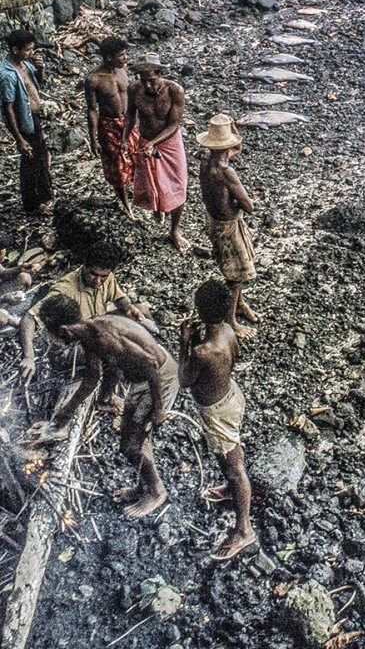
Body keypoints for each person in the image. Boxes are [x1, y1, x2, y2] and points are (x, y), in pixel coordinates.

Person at [31, 294, 178, 518]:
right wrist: (62, 417)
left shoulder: (104, 337)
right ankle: (143, 487)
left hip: (159, 379)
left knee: (131, 446)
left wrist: (158, 409)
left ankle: (157, 492)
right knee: (132, 438)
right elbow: (92, 378)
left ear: (64, 330)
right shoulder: (89, 332)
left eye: (56, 336)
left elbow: (151, 365)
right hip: (143, 380)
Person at [178, 279, 256, 561]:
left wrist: (185, 342)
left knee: (234, 467)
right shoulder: (227, 331)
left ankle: (244, 529)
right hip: (232, 397)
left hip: (218, 413)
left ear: (198, 310)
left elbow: (184, 379)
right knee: (232, 453)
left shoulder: (202, 351)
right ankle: (232, 489)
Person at [18, 238, 145, 385]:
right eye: (93, 274)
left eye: (103, 276)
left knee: (142, 310)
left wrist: (129, 308)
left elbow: (119, 297)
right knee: (118, 348)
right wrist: (28, 356)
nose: (98, 281)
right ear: (84, 265)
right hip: (69, 347)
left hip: (94, 328)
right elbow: (29, 317)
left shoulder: (107, 277)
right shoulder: (65, 289)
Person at [197, 114, 258, 339]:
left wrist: (233, 130)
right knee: (236, 276)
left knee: (235, 270)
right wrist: (243, 201)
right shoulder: (226, 172)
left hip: (213, 220)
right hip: (228, 226)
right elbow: (248, 206)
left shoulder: (205, 158)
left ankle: (239, 305)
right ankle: (231, 320)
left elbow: (235, 149)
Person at [121, 54, 188, 252]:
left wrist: (154, 143)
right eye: (144, 80)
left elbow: (174, 124)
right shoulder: (135, 90)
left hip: (169, 143)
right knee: (153, 182)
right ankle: (159, 208)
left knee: (177, 185)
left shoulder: (174, 91)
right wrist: (125, 139)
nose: (148, 85)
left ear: (161, 74)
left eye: (152, 80)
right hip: (146, 140)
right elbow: (130, 116)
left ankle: (174, 230)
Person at [85, 37, 139, 218]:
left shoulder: (122, 70)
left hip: (128, 122)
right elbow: (92, 110)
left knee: (137, 158)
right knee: (116, 167)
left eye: (125, 54)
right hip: (109, 125)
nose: (125, 58)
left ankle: (138, 194)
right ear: (108, 57)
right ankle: (125, 203)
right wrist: (93, 139)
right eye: (121, 55)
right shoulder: (94, 79)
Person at [0, 29, 53, 215]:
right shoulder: (7, 75)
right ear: (15, 49)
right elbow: (8, 109)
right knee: (31, 163)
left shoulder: (25, 64)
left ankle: (43, 198)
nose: (32, 53)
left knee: (40, 157)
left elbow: (38, 83)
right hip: (23, 123)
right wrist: (19, 139)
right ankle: (32, 205)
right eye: (28, 49)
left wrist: (40, 68)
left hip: (33, 119)